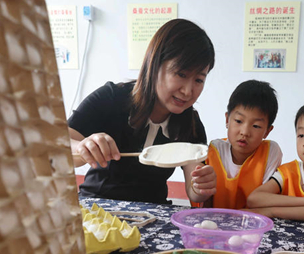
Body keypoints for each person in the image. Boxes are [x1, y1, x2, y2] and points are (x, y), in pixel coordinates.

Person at [69, 19, 216, 204]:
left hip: (153, 214)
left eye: (199, 80)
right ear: (154, 65)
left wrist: (201, 186)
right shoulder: (111, 98)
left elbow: (194, 191)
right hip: (98, 206)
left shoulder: (191, 124)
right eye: (181, 74)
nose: (188, 91)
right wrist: (81, 147)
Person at [205, 80, 283, 209]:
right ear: (227, 120)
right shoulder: (215, 150)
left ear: (267, 131)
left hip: (253, 223)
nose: (245, 132)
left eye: (256, 126)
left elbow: (265, 201)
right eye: (239, 121)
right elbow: (204, 201)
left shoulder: (271, 152)